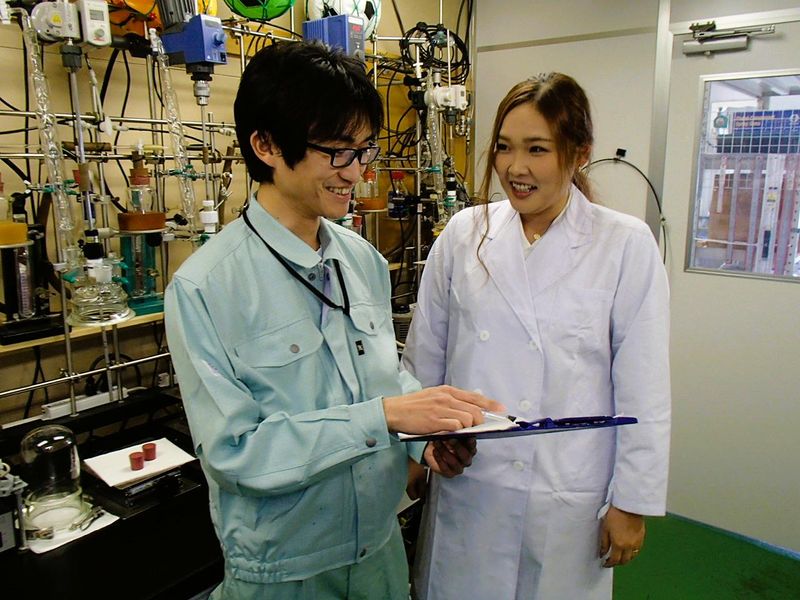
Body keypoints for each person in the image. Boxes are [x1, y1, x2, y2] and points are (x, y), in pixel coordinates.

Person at [164, 41, 502, 600]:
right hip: (284, 571)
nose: (358, 173)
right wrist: (384, 417)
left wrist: (422, 439)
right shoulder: (206, 287)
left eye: (364, 150)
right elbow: (235, 453)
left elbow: (384, 378)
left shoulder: (361, 261)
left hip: (379, 551)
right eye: (338, 152)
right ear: (267, 145)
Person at [402, 73, 671, 599]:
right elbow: (425, 356)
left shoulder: (624, 245)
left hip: (564, 487)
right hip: (469, 482)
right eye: (504, 147)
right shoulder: (464, 234)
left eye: (537, 149)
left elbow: (645, 386)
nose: (514, 167)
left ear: (580, 154)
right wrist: (413, 453)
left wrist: (631, 501)